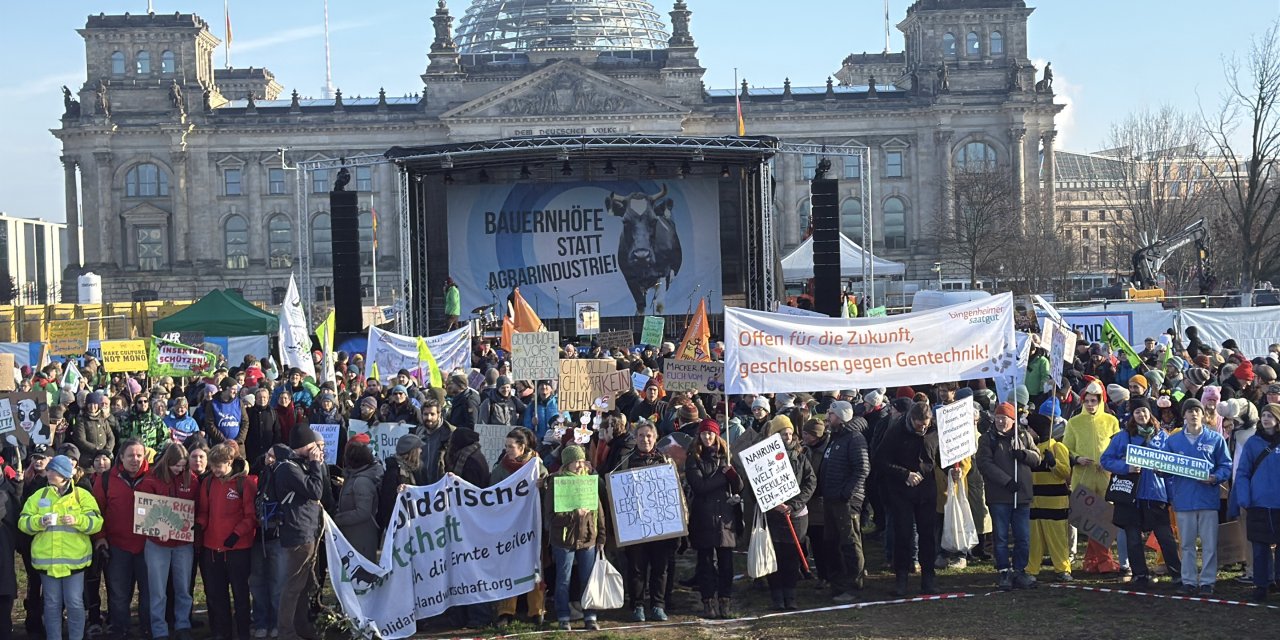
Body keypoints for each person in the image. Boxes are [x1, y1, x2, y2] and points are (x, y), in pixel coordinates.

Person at [1101, 397, 1183, 589]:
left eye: (1144, 411)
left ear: (1150, 413)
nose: (1141, 415)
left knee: (1165, 536)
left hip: (1155, 494)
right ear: (1132, 415)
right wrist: (1125, 467)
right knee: (1133, 537)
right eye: (1137, 412)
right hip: (1131, 495)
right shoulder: (1123, 436)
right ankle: (1140, 574)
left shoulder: (1162, 437)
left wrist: (1171, 496)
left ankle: (1177, 574)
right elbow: (1106, 459)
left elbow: (1170, 468)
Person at [19, 454, 102, 640]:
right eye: (49, 469)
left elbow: (97, 522)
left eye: (53, 470)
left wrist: (78, 520)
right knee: (51, 605)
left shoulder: (82, 496)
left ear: (64, 474)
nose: (48, 473)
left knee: (74, 603)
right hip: (47, 563)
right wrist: (39, 521)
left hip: (74, 563)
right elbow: (23, 522)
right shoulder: (39, 495)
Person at [1161, 398, 1233, 595]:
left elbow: (1226, 465)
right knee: (1186, 544)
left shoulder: (1215, 439)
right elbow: (1166, 468)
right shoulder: (1173, 440)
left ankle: (1208, 581)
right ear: (1183, 415)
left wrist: (1215, 477)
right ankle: (1189, 581)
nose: (1193, 414)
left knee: (1209, 543)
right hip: (1184, 499)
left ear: (1203, 414)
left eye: (1197, 411)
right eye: (1189, 411)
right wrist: (1159, 469)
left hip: (1207, 498)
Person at [873, 401, 941, 597]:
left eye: (926, 424)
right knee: (903, 534)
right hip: (901, 491)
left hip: (926, 490)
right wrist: (904, 474)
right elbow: (880, 460)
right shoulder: (895, 432)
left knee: (928, 534)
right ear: (912, 419)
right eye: (920, 424)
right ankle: (901, 577)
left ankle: (929, 577)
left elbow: (937, 456)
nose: (923, 427)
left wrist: (950, 468)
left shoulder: (934, 431)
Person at [613, 421, 674, 622]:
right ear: (635, 438)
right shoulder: (625, 461)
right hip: (635, 526)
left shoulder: (665, 461)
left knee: (660, 567)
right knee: (636, 568)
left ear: (655, 438)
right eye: (641, 436)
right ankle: (637, 605)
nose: (645, 439)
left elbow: (675, 493)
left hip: (661, 525)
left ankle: (658, 605)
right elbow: (613, 488)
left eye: (649, 435)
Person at [976, 402, 1042, 591]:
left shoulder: (1023, 435)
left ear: (1013, 420)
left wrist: (1023, 455)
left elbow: (1037, 458)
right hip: (999, 496)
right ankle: (1004, 571)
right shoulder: (987, 439)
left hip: (1022, 497)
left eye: (1004, 418)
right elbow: (984, 464)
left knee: (1023, 537)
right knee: (1001, 536)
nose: (1001, 421)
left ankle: (1020, 570)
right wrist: (1005, 481)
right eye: (998, 418)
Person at [138, 442, 199, 640]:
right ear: (167, 462)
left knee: (183, 587)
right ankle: (159, 629)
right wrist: (157, 530)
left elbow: (197, 507)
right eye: (176, 466)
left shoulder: (192, 479)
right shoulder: (151, 480)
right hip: (157, 544)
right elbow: (145, 512)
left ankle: (183, 625)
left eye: (183, 466)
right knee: (158, 590)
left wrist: (192, 525)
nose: (180, 469)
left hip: (182, 543)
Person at [197, 443, 258, 640]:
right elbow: (205, 512)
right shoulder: (208, 483)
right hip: (212, 548)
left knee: (240, 594)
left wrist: (237, 534)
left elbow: (251, 516)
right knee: (216, 594)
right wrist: (198, 524)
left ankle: (243, 632)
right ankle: (221, 632)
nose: (214, 470)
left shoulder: (245, 483)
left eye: (218, 466)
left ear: (230, 462)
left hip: (237, 548)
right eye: (212, 466)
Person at [1062, 380, 1123, 574]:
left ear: (1100, 401)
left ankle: (1092, 561)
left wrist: (1110, 463)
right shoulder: (1074, 422)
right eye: (1087, 401)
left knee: (1104, 521)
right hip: (1083, 477)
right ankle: (1105, 562)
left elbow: (1118, 447)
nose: (1090, 404)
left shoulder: (1111, 421)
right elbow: (1065, 449)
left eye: (1094, 401)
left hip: (1106, 478)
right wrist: (1077, 458)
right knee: (1092, 521)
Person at [94, 439, 152, 639]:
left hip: (148, 546)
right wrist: (100, 537)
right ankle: (119, 628)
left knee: (149, 592)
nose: (135, 459)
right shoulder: (106, 479)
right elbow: (96, 510)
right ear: (121, 457)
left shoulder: (155, 477)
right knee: (119, 593)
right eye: (130, 455)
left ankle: (148, 627)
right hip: (117, 545)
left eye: (139, 455)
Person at [273, 427, 327, 640]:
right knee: (293, 586)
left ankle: (301, 626)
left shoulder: (297, 464)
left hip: (307, 529)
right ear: (305, 445)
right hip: (298, 531)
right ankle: (286, 632)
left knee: (304, 584)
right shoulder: (289, 468)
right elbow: (315, 491)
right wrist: (314, 464)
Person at [543, 444, 604, 632]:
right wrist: (574, 515)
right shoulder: (557, 483)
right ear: (566, 464)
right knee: (563, 579)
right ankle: (563, 616)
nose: (579, 465)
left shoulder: (589, 482)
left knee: (587, 578)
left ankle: (590, 615)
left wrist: (601, 536)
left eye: (581, 461)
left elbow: (598, 511)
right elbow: (551, 516)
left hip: (587, 538)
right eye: (575, 462)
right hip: (564, 540)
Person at [492, 428, 547, 628]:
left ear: (522, 447)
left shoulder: (537, 467)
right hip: (509, 527)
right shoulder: (501, 469)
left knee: (534, 566)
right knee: (509, 567)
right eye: (506, 446)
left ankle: (537, 610)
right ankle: (506, 610)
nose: (507, 450)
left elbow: (547, 497)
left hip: (532, 525)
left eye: (510, 447)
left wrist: (544, 486)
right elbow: (492, 495)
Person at [686, 420, 741, 619]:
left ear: (717, 436)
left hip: (725, 516)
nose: (707, 437)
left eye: (711, 434)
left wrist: (733, 476)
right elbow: (699, 486)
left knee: (726, 562)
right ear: (699, 436)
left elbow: (737, 488)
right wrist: (722, 477)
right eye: (704, 434)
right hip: (703, 516)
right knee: (706, 562)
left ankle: (725, 600)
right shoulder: (694, 458)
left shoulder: (725, 457)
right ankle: (708, 600)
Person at [818, 400, 871, 601]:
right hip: (832, 499)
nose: (827, 418)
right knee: (832, 542)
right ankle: (837, 583)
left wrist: (847, 493)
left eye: (831, 414)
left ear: (841, 417)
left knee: (850, 542)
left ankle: (854, 585)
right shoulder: (836, 438)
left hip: (845, 501)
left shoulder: (854, 439)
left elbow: (862, 468)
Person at [763, 416, 816, 610]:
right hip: (772, 515)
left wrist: (793, 505)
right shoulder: (763, 459)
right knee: (775, 556)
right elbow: (756, 486)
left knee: (792, 557)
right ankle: (777, 596)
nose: (787, 437)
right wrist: (773, 504)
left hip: (796, 515)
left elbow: (810, 482)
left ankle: (791, 596)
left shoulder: (801, 456)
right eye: (782, 433)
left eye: (789, 433)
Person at [1233, 403, 1280, 602]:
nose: (1266, 418)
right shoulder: (1253, 443)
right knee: (1260, 547)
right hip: (1258, 503)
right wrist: (1244, 497)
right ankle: (1262, 584)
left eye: (1270, 415)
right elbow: (1242, 472)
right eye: (1263, 415)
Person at [1027, 412, 1073, 582]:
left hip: (1055, 502)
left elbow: (1065, 473)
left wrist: (1053, 463)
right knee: (1034, 539)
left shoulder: (1057, 447)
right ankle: (1031, 568)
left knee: (1058, 538)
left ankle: (1062, 568)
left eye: (1030, 429)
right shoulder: (1030, 449)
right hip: (1034, 501)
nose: (1027, 432)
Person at [71, 392, 116, 458]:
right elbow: (81, 440)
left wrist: (107, 450)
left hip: (104, 456)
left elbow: (111, 437)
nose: (92, 406)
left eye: (95, 404)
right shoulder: (81, 420)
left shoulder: (102, 419)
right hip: (88, 457)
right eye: (90, 404)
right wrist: (97, 450)